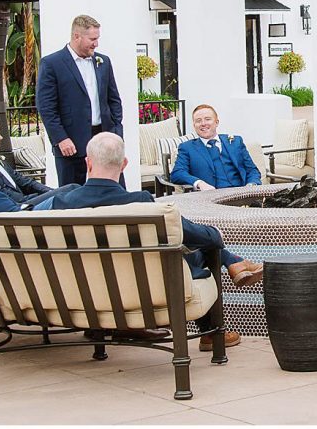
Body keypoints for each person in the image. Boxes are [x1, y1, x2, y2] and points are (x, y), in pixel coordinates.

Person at [52, 133, 264, 349]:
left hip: (83, 295)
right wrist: (215, 235)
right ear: (124, 164)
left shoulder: (62, 204)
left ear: (88, 162)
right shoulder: (139, 202)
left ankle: (234, 263)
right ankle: (212, 329)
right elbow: (190, 232)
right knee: (201, 248)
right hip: (140, 294)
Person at [37, 14, 124, 186]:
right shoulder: (52, 63)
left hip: (104, 137)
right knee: (71, 193)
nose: (96, 43)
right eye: (92, 39)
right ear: (77, 36)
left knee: (115, 189)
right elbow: (46, 106)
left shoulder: (103, 61)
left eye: (97, 38)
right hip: (71, 141)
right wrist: (61, 138)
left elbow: (114, 99)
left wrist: (116, 132)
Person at [0, 114, 76, 205]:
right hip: (21, 209)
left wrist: (52, 192)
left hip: (27, 203)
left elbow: (26, 183)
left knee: (73, 191)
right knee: (73, 189)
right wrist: (52, 195)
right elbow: (9, 197)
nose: (0, 137)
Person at [169, 104, 261, 190]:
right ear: (194, 125)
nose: (203, 123)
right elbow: (177, 174)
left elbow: (252, 170)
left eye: (207, 119)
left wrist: (251, 186)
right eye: (198, 121)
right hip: (210, 200)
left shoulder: (236, 142)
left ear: (216, 122)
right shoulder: (187, 148)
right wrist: (199, 183)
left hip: (241, 195)